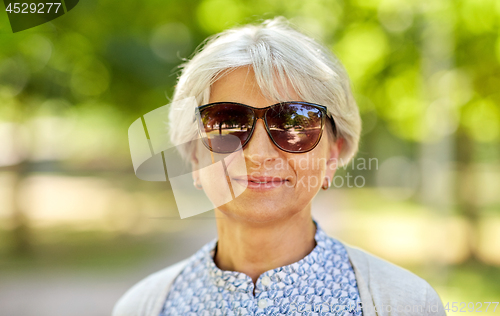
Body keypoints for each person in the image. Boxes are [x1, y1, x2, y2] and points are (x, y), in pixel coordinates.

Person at [113, 17, 445, 316]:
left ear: (333, 156)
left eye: (295, 124)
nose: (258, 153)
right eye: (227, 123)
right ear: (195, 158)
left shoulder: (404, 304)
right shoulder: (142, 307)